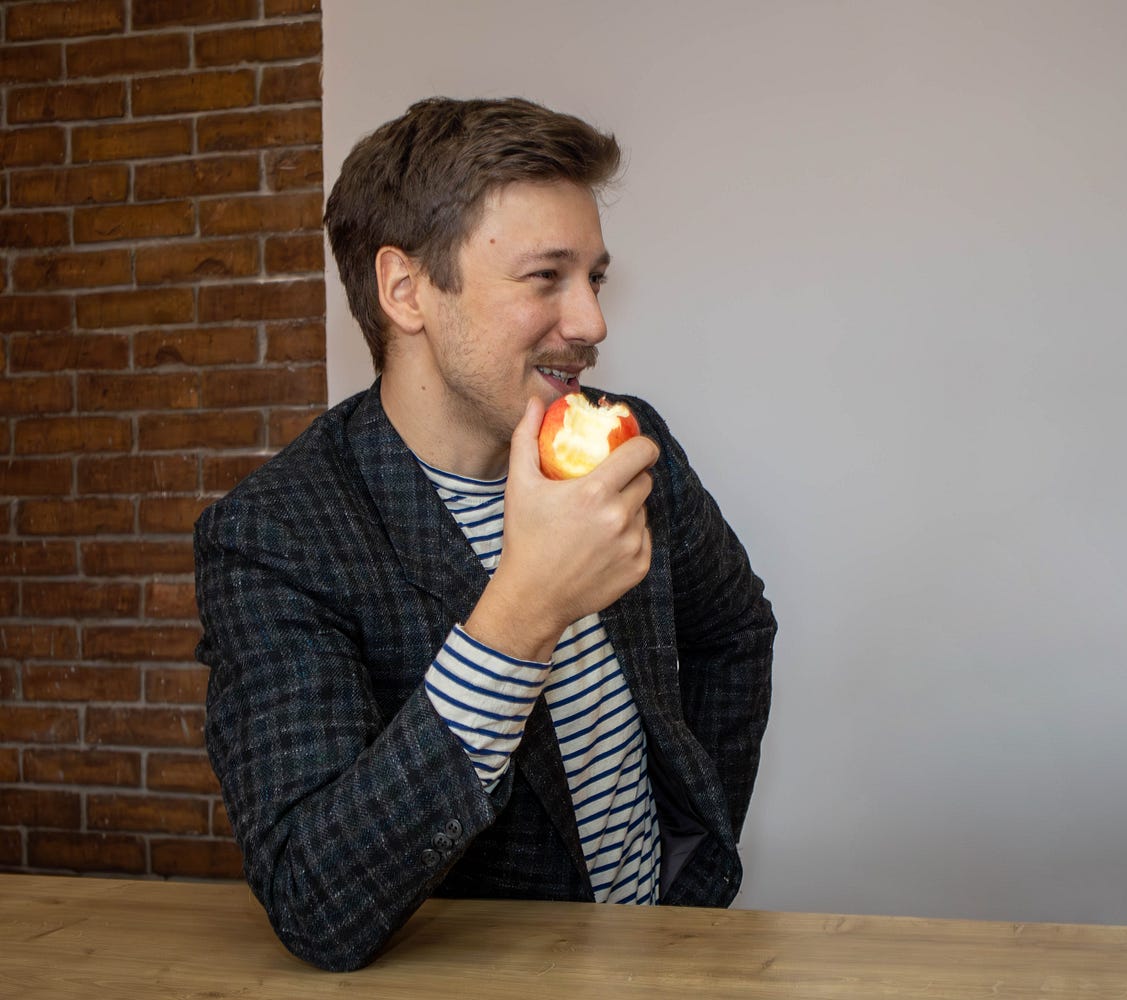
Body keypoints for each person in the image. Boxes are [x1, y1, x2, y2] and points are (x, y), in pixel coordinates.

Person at [194, 97, 776, 972]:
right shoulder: (274, 536)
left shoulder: (623, 437)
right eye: (546, 277)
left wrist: (690, 867)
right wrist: (523, 611)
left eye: (595, 278)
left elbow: (734, 629)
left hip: (666, 957)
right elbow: (315, 903)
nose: (591, 322)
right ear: (406, 290)